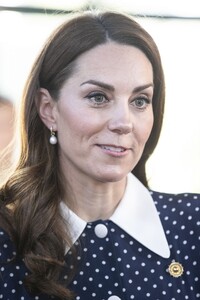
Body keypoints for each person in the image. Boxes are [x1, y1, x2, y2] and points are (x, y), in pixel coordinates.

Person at [0, 10, 199, 300]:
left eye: (140, 101)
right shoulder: (7, 238)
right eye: (98, 97)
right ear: (48, 109)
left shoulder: (192, 225)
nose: (124, 122)